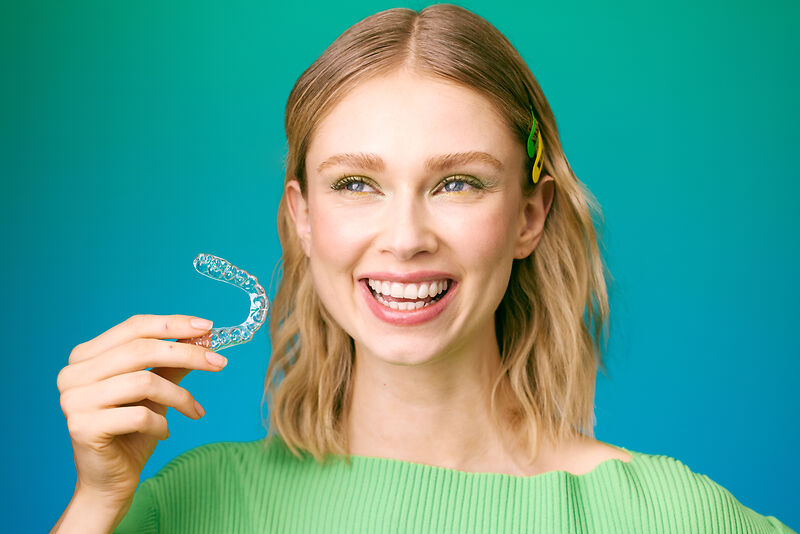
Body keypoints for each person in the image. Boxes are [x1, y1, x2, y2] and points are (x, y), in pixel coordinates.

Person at [52, 4, 795, 533]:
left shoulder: (664, 517)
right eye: (355, 184)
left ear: (529, 217)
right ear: (303, 217)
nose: (404, 239)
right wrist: (94, 504)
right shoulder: (189, 507)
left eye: (457, 183)